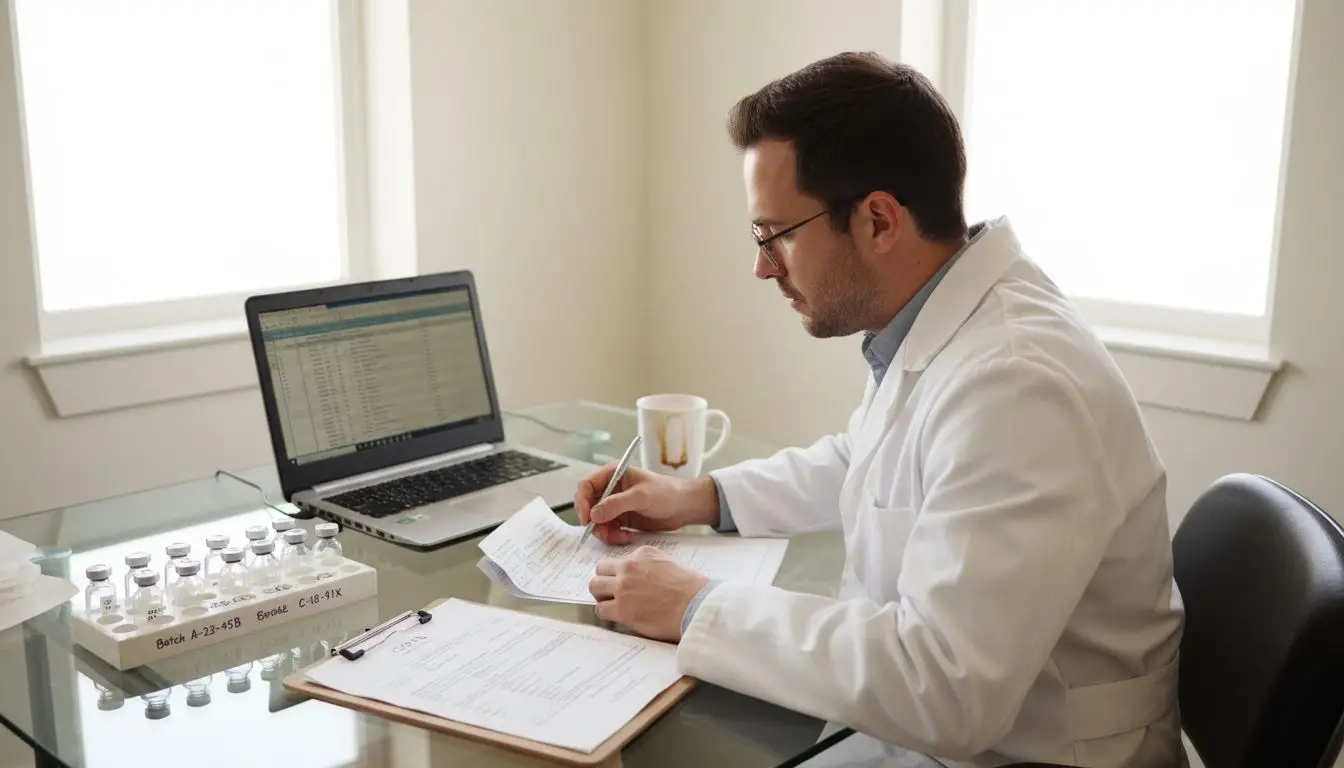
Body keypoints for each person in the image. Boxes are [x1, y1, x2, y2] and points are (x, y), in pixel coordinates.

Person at [577, 51, 1185, 768]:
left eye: (777, 235)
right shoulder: (944, 319)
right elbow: (865, 459)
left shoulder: (1018, 383)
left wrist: (697, 606)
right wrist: (702, 495)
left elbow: (945, 687)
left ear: (878, 219)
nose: (763, 267)